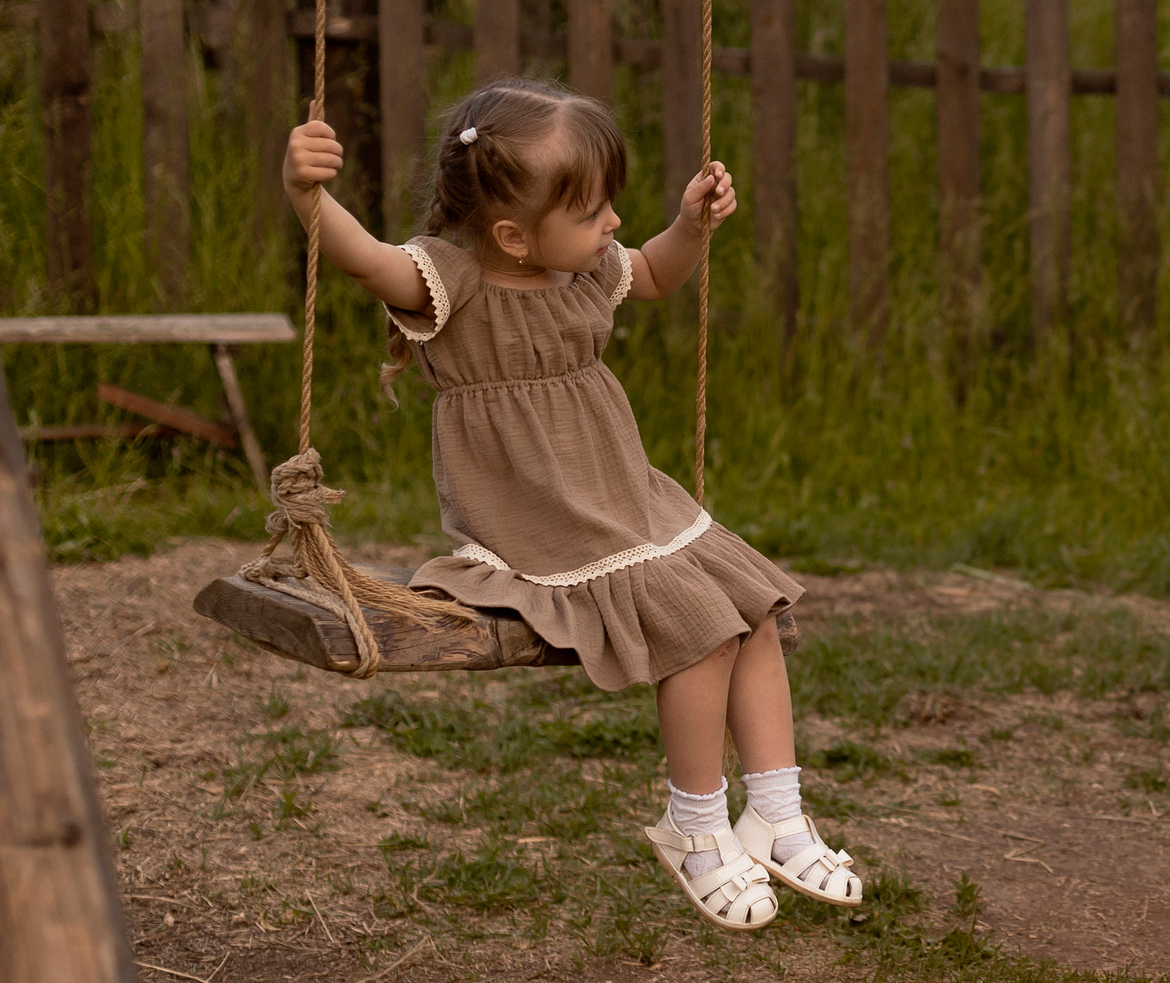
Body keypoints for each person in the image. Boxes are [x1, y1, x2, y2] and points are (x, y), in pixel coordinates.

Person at [282, 77, 861, 932]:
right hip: (539, 518)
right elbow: (366, 257)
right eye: (592, 212)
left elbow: (656, 271)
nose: (613, 224)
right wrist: (306, 194)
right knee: (701, 628)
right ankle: (695, 825)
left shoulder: (583, 269)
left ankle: (776, 811)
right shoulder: (453, 282)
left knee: (755, 607)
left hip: (621, 498)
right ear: (512, 235)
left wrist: (691, 226)